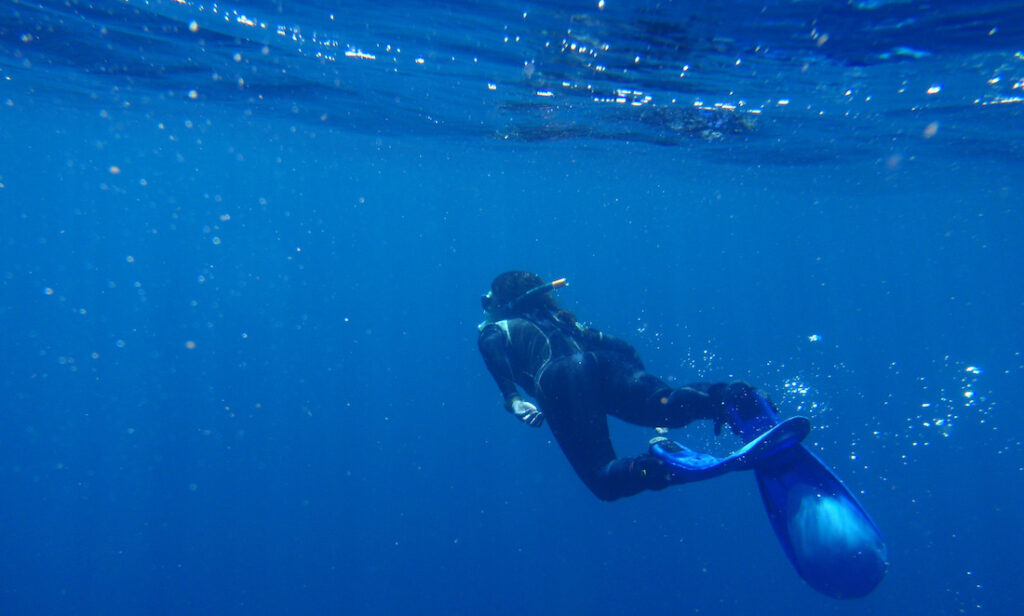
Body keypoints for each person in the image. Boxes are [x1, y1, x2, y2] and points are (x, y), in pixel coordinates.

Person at [477, 270, 767, 502]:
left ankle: (652, 470)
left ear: (499, 302)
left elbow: (492, 353)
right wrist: (650, 399)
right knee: (667, 405)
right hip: (605, 363)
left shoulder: (497, 328)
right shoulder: (567, 324)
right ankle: (731, 397)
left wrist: (513, 399)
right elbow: (624, 348)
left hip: (558, 379)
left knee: (602, 479)